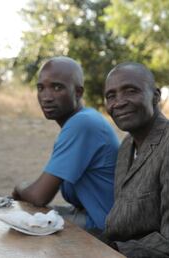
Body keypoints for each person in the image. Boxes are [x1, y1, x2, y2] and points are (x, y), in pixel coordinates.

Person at [12, 56, 119, 232]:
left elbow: (39, 196)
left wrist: (20, 187)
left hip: (104, 226)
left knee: (21, 226)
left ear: (78, 92)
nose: (46, 97)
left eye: (57, 87)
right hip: (90, 215)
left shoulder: (82, 124)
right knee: (23, 218)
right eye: (41, 88)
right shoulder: (82, 120)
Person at [103, 62, 169, 258]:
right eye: (111, 96)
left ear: (156, 95)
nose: (119, 102)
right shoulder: (127, 144)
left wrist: (109, 252)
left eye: (130, 91)